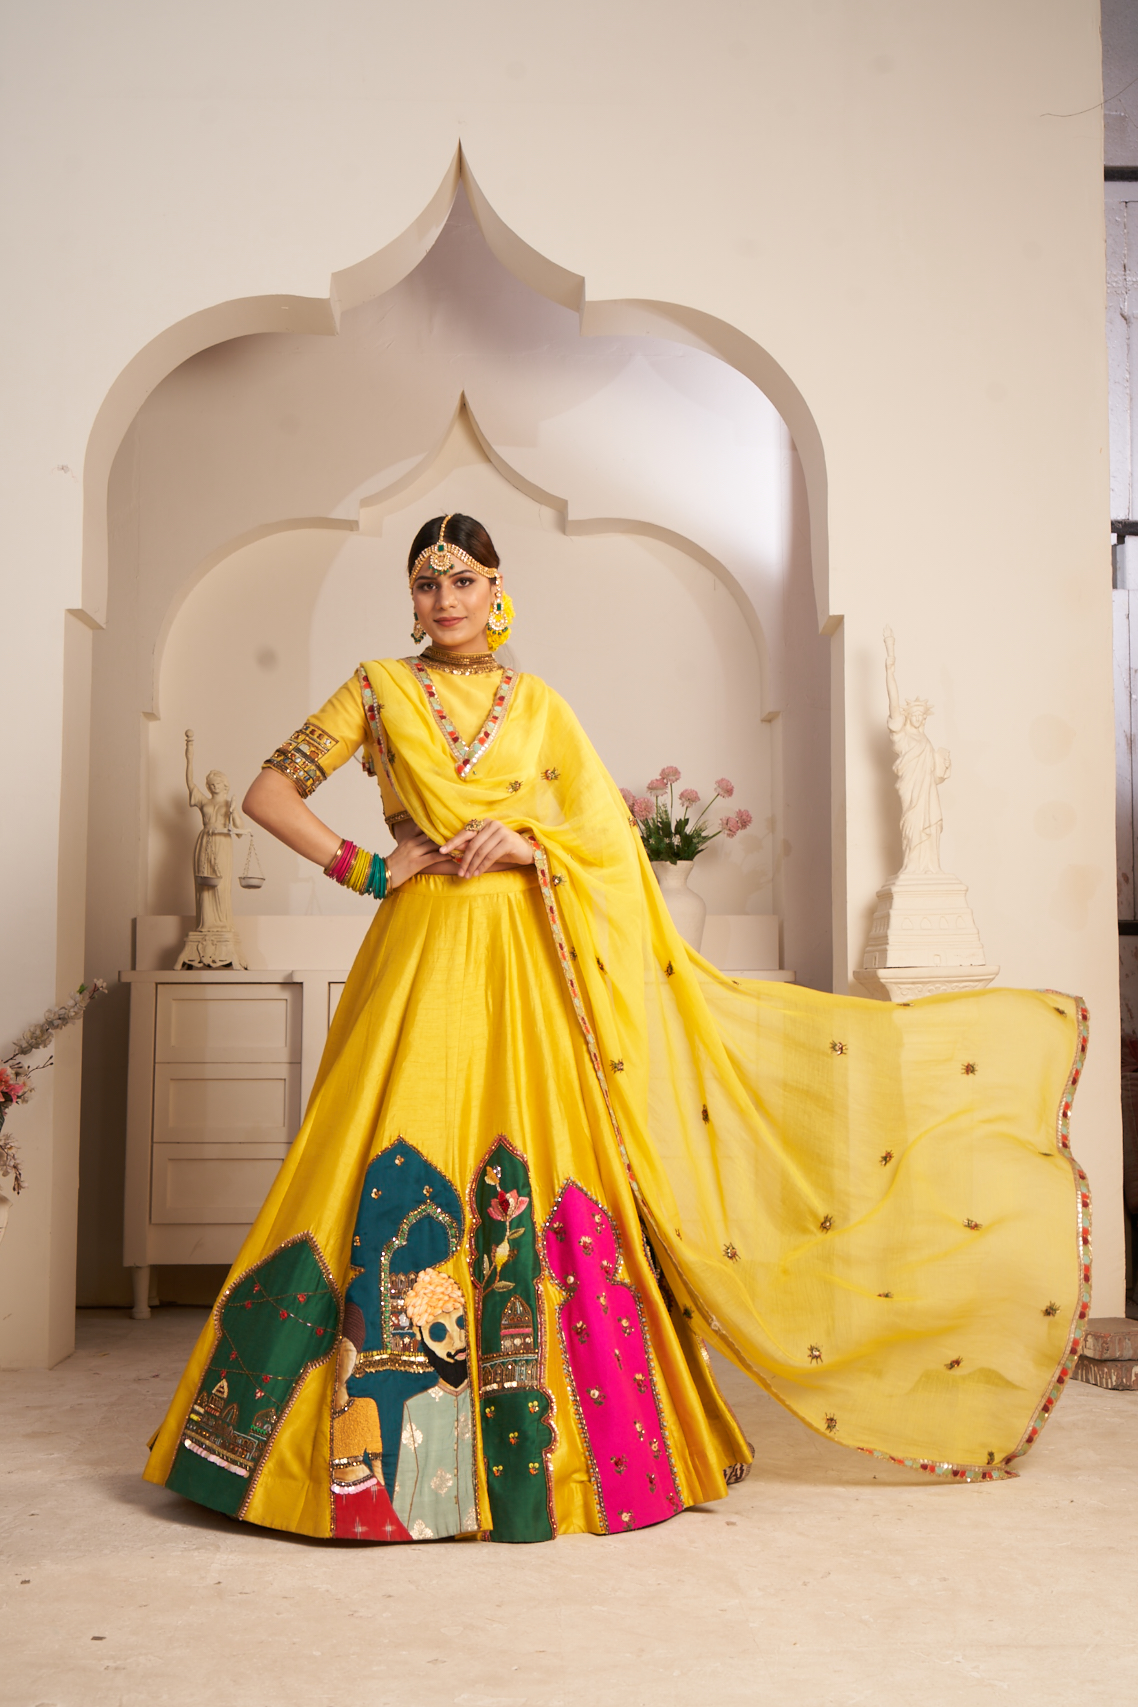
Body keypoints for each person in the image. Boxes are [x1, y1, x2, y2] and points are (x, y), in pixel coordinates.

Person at [146, 514, 1090, 1542]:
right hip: (420, 954)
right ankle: (346, 1452)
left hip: (529, 959)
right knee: (376, 1149)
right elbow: (268, 790)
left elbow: (604, 841)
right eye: (426, 583)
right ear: (410, 598)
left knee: (544, 1157)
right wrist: (371, 868)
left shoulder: (540, 707)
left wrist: (530, 843)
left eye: (463, 580)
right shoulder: (376, 689)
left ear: (497, 589)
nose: (445, 600)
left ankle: (571, 1454)